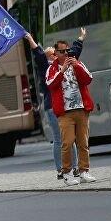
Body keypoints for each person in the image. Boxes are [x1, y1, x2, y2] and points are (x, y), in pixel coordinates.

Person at [26, 29, 86, 176]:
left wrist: (81, 38)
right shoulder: (46, 67)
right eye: (54, 52)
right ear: (50, 56)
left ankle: (73, 167)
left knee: (70, 138)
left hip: (66, 105)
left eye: (56, 51)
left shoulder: (64, 63)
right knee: (59, 139)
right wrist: (30, 39)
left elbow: (74, 52)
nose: (58, 53)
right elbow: (38, 54)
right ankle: (61, 169)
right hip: (53, 107)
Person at [46, 40, 96, 185]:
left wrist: (77, 66)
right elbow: (50, 84)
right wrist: (61, 72)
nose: (66, 53)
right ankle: (67, 173)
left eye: (67, 50)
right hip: (65, 112)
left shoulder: (77, 63)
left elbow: (88, 79)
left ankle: (83, 171)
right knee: (67, 143)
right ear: (55, 53)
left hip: (81, 109)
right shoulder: (52, 69)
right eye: (62, 51)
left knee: (83, 142)